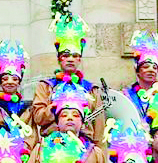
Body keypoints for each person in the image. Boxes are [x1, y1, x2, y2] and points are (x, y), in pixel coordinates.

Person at [31, 11, 104, 146]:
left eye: (75, 55)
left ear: (79, 59)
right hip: (52, 146)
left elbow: (99, 130)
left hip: (84, 147)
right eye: (65, 55)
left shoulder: (91, 91)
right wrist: (52, 109)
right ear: (59, 58)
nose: (70, 59)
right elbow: (38, 118)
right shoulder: (46, 86)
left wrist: (100, 156)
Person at [0, 41, 38, 149]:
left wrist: (23, 149)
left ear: (19, 82)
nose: (10, 82)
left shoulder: (27, 108)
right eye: (5, 79)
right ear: (0, 82)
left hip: (22, 153)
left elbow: (32, 135)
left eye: (15, 79)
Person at [123, 31, 158, 121]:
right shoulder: (126, 94)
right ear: (137, 71)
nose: (151, 70)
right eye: (145, 67)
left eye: (155, 68)